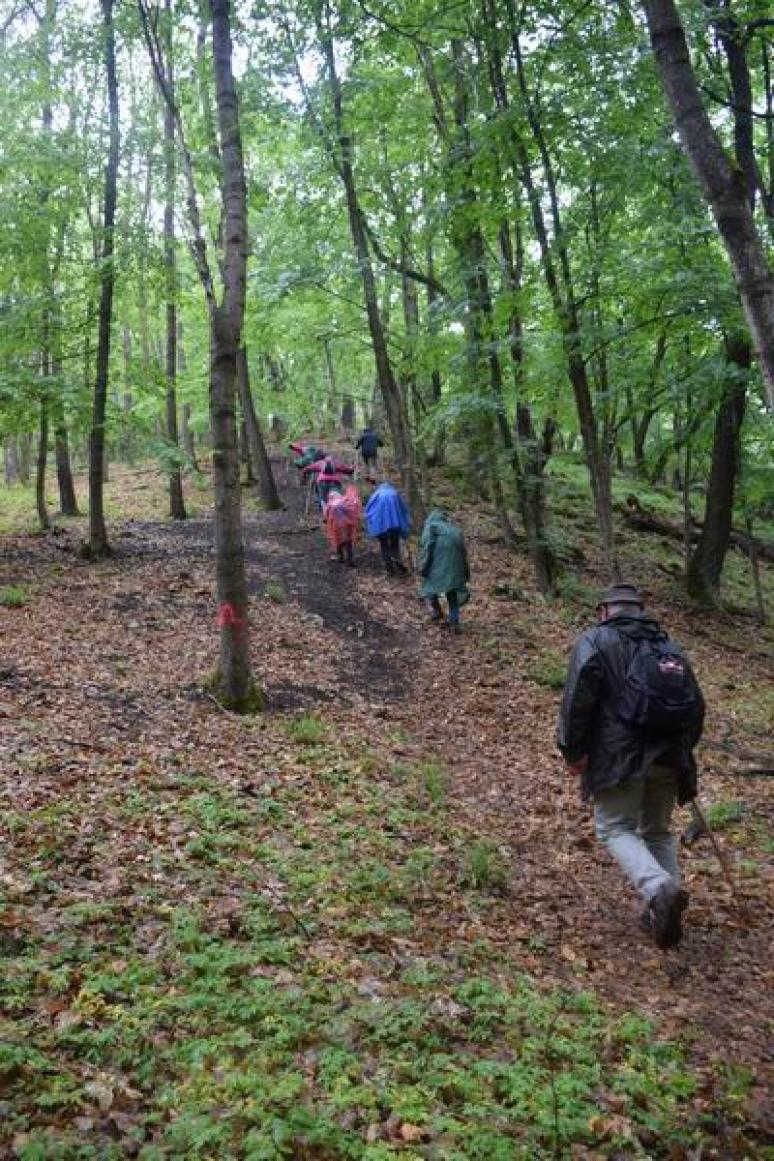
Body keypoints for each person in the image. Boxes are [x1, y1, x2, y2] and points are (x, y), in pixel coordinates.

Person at [557, 583, 705, 950]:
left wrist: (572, 751)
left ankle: (658, 890)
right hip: (670, 756)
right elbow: (697, 708)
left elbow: (577, 702)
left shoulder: (596, 641)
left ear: (605, 610)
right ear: (639, 610)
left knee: (614, 827)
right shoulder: (669, 648)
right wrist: (683, 753)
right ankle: (663, 907)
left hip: (619, 757)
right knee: (657, 831)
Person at [418, 509, 470, 633]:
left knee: (429, 586)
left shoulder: (430, 528)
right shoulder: (454, 530)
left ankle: (437, 612)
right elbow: (463, 553)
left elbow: (427, 548)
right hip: (455, 567)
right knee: (451, 592)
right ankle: (454, 621)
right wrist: (465, 572)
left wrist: (422, 566)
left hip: (438, 564)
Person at [364, 481, 411, 575]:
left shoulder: (376, 495)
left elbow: (368, 510)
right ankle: (397, 562)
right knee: (395, 544)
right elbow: (403, 509)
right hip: (395, 524)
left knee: (384, 545)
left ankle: (389, 569)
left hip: (381, 525)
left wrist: (371, 523)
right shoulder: (395, 494)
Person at [323, 484, 362, 566]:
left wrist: (327, 522)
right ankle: (350, 560)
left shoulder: (332, 503)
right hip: (348, 525)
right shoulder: (349, 501)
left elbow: (326, 516)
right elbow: (356, 514)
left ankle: (341, 557)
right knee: (349, 542)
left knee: (338, 540)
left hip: (336, 526)